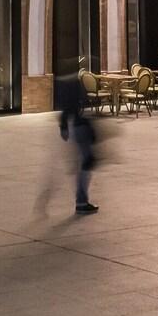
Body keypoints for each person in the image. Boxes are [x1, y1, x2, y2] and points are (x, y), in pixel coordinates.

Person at [54, 69, 99, 215]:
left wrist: (64, 127)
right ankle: (81, 201)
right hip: (81, 130)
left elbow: (67, 112)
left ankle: (82, 200)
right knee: (86, 163)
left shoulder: (72, 93)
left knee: (85, 163)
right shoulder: (76, 93)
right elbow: (71, 110)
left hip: (79, 128)